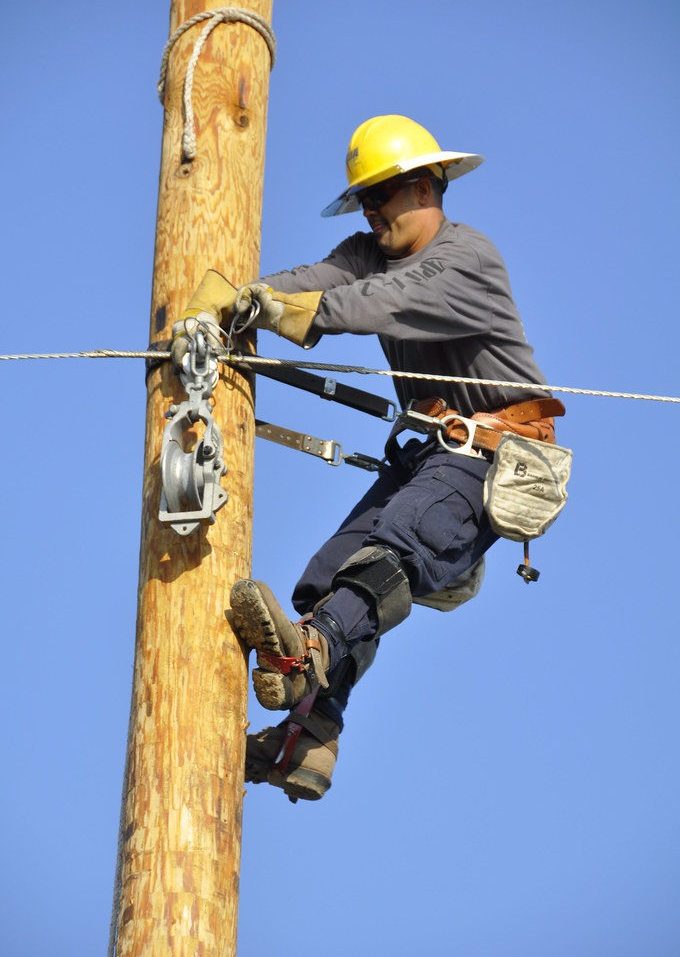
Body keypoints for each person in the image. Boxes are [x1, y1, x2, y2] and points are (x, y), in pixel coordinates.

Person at [172, 114, 563, 803]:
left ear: (425, 186)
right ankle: (308, 736)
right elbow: (312, 278)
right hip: (433, 454)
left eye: (381, 195)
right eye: (365, 199)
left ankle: (308, 654)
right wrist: (230, 302)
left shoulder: (467, 257)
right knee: (325, 577)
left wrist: (280, 312)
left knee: (390, 549)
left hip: (495, 452)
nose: (372, 210)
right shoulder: (368, 252)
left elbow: (378, 302)